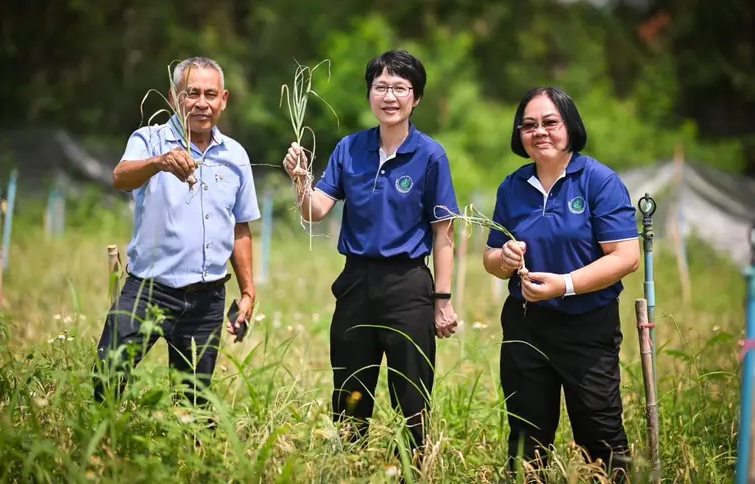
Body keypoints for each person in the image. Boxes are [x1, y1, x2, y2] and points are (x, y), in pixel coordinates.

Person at [282, 50, 460, 460]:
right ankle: (351, 464)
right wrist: (301, 179)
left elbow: (443, 234)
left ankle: (413, 465)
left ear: (416, 98)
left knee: (412, 396)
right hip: (356, 283)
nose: (390, 96)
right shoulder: (350, 149)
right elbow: (315, 211)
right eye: (381, 87)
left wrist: (443, 300)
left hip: (409, 285)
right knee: (350, 393)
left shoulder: (431, 155)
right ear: (369, 95)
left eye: (400, 88)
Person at [482, 86, 640, 481]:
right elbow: (491, 257)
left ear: (570, 126)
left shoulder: (598, 181)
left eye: (550, 122)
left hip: (587, 326)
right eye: (529, 125)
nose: (540, 132)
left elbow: (625, 256)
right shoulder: (512, 187)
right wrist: (504, 259)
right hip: (525, 326)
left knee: (599, 433)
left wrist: (564, 284)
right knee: (526, 438)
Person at [93, 56, 260, 407]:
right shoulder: (150, 139)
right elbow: (120, 176)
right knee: (107, 382)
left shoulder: (235, 155)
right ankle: (101, 449)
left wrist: (247, 291)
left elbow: (239, 225)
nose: (201, 103)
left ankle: (190, 456)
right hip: (149, 292)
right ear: (174, 97)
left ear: (223, 99)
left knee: (193, 402)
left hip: (207, 300)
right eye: (192, 93)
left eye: (210, 94)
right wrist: (159, 163)